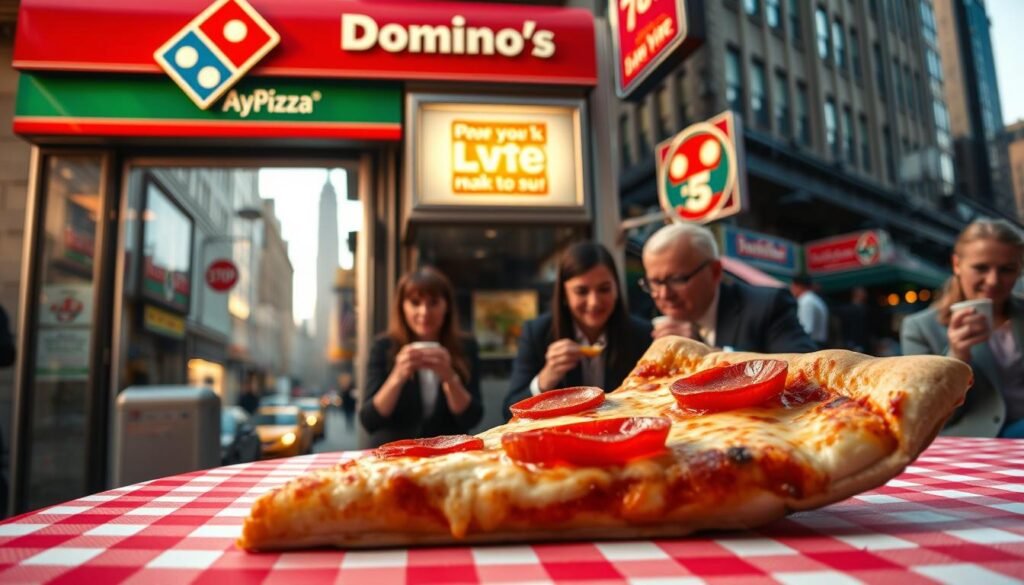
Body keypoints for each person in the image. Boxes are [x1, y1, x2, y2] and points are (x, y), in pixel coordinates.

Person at [901, 219, 1024, 438]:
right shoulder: (920, 328)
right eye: (981, 268)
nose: (993, 280)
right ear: (957, 265)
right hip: (976, 440)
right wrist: (957, 356)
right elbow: (926, 413)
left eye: (1007, 269)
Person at [503, 242, 653, 418]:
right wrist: (545, 378)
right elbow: (508, 412)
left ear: (617, 290)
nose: (594, 302)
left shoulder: (644, 334)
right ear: (565, 295)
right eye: (581, 291)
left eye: (604, 289)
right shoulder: (537, 333)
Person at [641, 223, 817, 353]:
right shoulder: (650, 323)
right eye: (655, 283)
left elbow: (803, 371)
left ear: (715, 271)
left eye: (677, 279)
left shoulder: (768, 306)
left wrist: (706, 354)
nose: (664, 294)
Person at [360, 266, 483, 447]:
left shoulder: (465, 347)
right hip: (392, 457)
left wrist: (449, 377)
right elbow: (369, 420)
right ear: (402, 307)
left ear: (446, 306)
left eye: (433, 302)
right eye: (415, 302)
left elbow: (471, 418)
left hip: (449, 455)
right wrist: (398, 376)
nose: (424, 312)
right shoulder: (384, 347)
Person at [790, 274, 830, 346]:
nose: (791, 289)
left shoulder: (806, 301)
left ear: (798, 286)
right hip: (817, 343)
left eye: (793, 286)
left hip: (813, 345)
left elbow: (806, 329)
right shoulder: (812, 298)